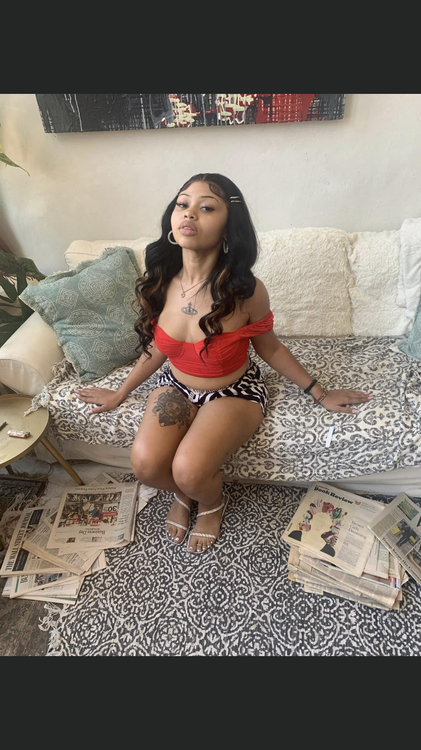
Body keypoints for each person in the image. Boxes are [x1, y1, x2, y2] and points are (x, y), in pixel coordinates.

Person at [75, 172, 373, 554]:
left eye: (207, 207)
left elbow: (271, 349)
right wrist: (119, 393)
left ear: (229, 226)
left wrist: (320, 392)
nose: (189, 213)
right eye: (183, 204)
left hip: (234, 391)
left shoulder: (247, 291)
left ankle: (210, 503)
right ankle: (185, 493)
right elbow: (158, 349)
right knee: (146, 466)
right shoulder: (161, 280)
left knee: (189, 469)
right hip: (177, 386)